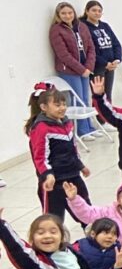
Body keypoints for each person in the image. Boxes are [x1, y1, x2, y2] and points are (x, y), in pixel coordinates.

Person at [26, 84, 91, 225]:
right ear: (44, 107)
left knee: (87, 214)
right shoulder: (41, 128)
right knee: (53, 221)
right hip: (53, 183)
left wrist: (80, 165)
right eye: (57, 105)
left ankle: (95, 242)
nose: (62, 108)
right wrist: (48, 174)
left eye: (64, 104)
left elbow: (73, 147)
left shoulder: (67, 123)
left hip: (73, 176)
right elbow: (40, 157)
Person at [48, 1, 98, 138]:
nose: (67, 15)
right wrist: (81, 69)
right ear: (58, 15)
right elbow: (63, 54)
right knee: (77, 99)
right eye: (63, 13)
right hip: (70, 71)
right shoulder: (56, 30)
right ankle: (82, 131)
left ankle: (89, 127)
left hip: (85, 70)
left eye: (70, 13)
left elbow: (91, 48)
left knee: (86, 98)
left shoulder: (81, 26)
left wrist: (88, 67)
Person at [64, 181, 122, 248]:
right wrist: (74, 200)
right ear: (119, 201)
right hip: (114, 253)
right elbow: (89, 214)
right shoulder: (109, 212)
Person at [82, 0, 122, 105]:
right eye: (94, 10)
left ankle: (108, 118)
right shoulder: (83, 27)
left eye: (99, 11)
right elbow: (89, 50)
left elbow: (116, 44)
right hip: (97, 67)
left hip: (110, 66)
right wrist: (105, 63)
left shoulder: (105, 26)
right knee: (98, 95)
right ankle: (99, 120)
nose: (97, 13)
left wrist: (117, 60)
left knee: (108, 94)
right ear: (87, 11)